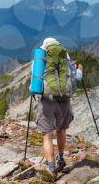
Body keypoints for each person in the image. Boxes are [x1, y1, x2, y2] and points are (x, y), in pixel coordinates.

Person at [32, 37, 83, 178]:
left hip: (47, 100)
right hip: (64, 99)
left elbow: (35, 80)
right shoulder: (64, 55)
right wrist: (80, 69)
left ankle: (52, 167)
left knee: (47, 135)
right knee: (61, 131)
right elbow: (76, 77)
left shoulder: (41, 57)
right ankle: (61, 159)